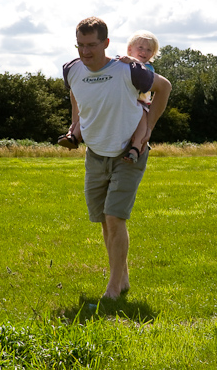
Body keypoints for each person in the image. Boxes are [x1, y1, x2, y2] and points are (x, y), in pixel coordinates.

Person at [62, 17, 171, 299]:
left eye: (92, 45)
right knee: (103, 220)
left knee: (114, 217)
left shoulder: (128, 70)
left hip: (128, 154)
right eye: (81, 45)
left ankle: (112, 289)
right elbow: (76, 94)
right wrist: (75, 126)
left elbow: (165, 87)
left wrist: (148, 128)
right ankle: (121, 279)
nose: (85, 52)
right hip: (95, 153)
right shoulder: (72, 70)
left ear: (106, 44)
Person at [59, 30, 161, 164]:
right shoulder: (121, 61)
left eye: (149, 50)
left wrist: (133, 61)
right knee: (90, 111)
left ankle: (136, 148)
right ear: (130, 49)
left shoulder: (147, 67)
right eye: (140, 48)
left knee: (142, 120)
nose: (144, 52)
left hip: (140, 102)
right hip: (122, 99)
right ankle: (73, 136)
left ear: (152, 54)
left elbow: (143, 74)